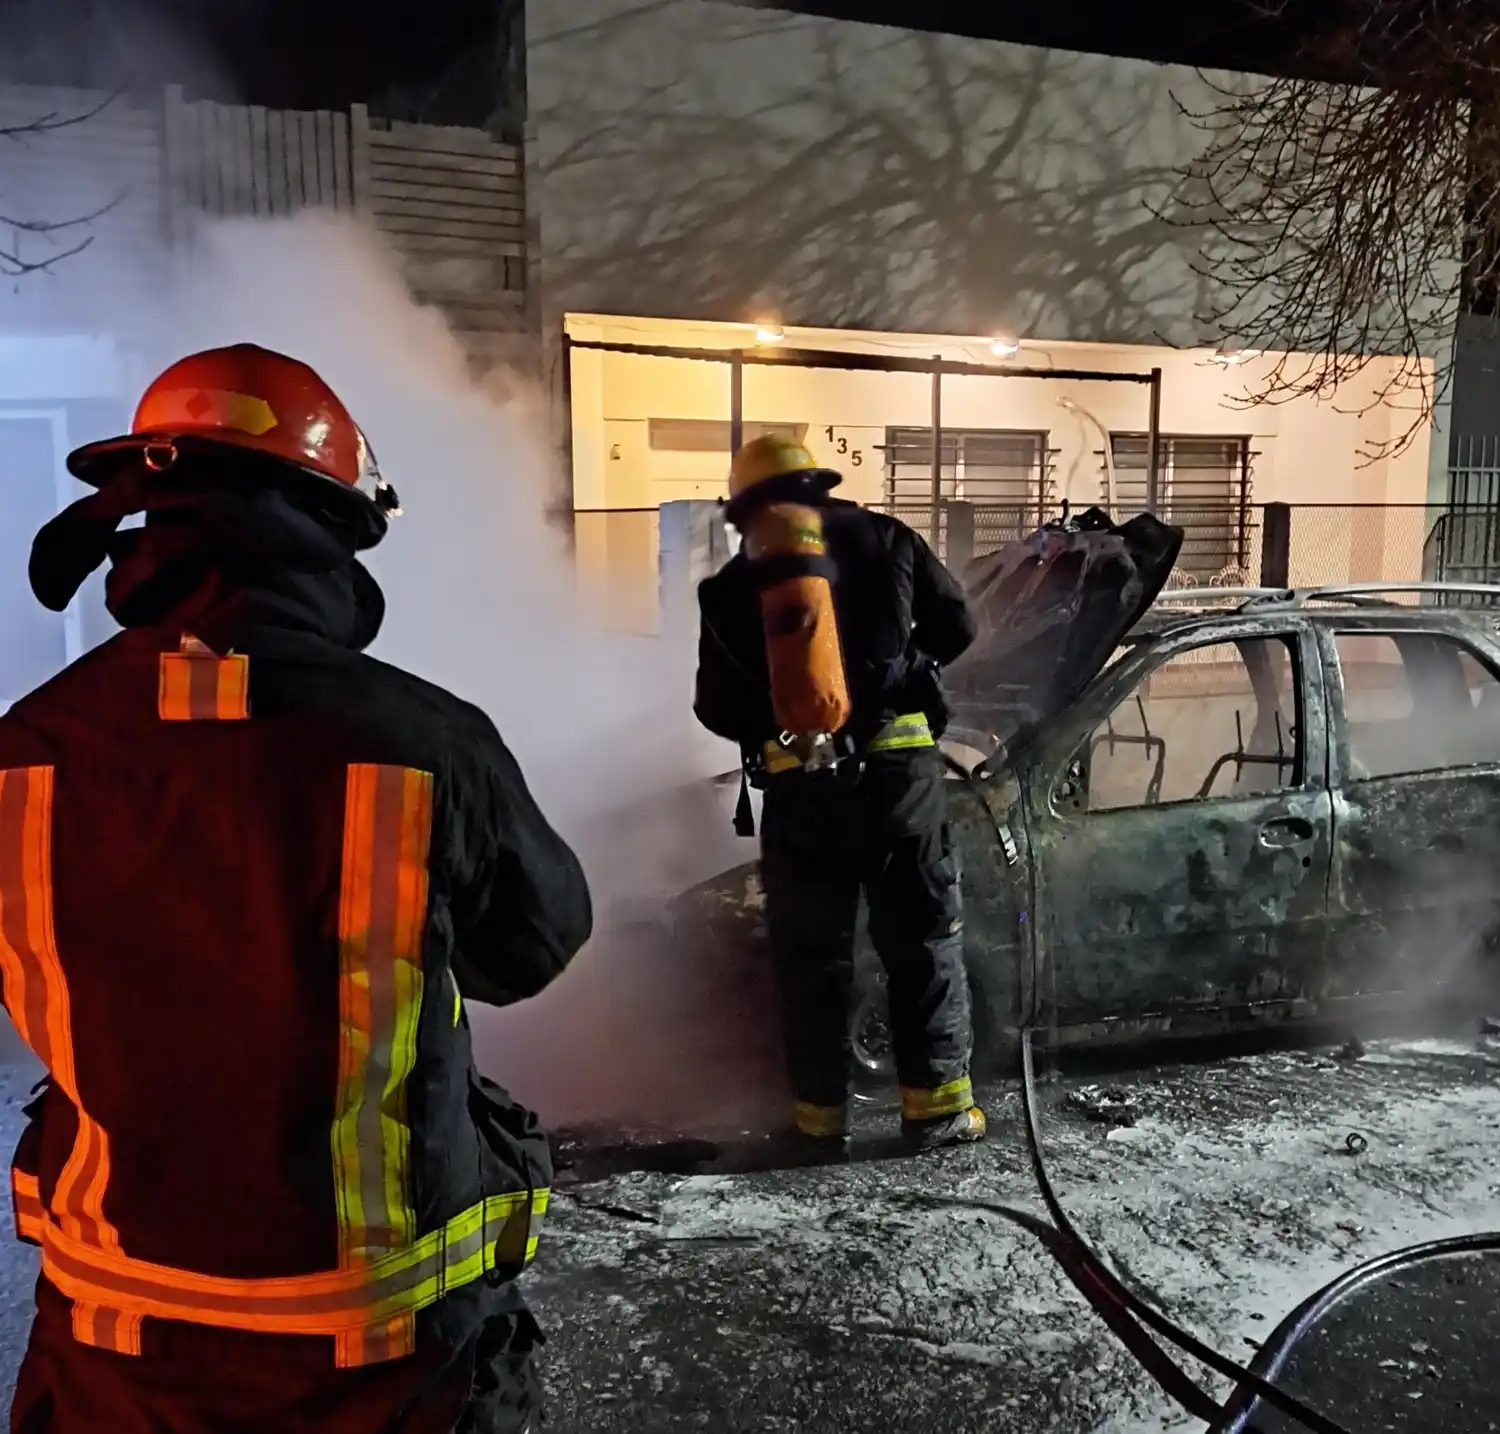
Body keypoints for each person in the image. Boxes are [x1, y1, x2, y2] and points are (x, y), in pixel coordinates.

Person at [1, 343, 591, 1433]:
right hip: (378, 1365)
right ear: (327, 531)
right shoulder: (424, 744)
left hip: (111, 1354)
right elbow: (535, 948)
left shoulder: (21, 751)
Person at [691, 432, 984, 1153]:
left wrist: (782, 713)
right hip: (899, 783)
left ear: (745, 506)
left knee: (811, 960)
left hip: (801, 794)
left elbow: (714, 708)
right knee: (921, 944)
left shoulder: (733, 586)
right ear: (818, 484)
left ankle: (819, 1125)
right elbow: (960, 625)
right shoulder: (887, 537)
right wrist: (901, 666)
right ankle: (937, 1112)